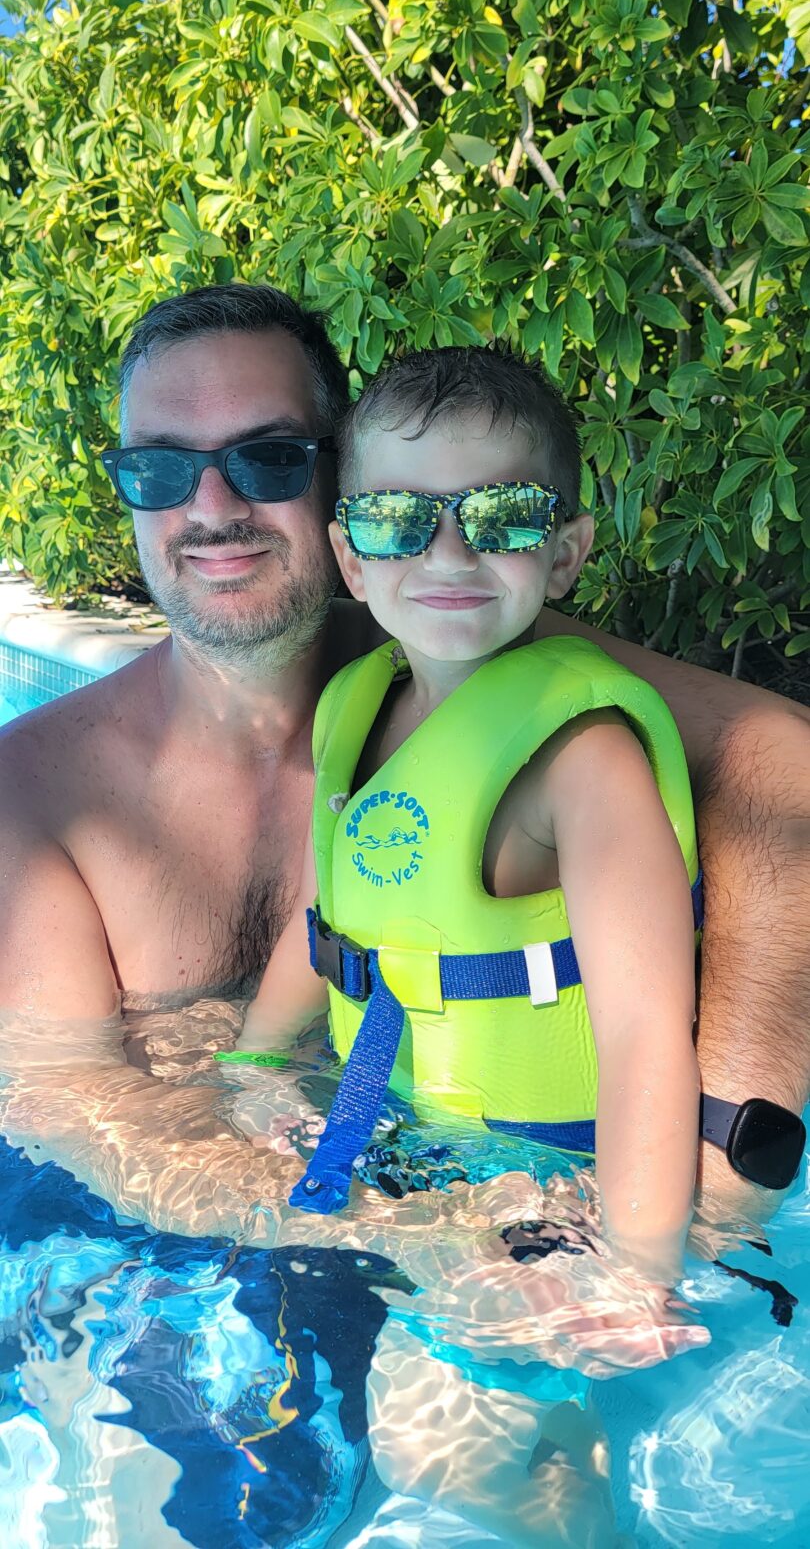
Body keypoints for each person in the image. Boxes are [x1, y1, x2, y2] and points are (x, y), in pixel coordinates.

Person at [0, 284, 807, 1252]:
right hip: (269, 1220)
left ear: (329, 482)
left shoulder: (479, 651)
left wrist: (700, 1206)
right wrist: (425, 1238)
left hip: (536, 1206)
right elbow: (72, 1113)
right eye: (159, 468)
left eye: (270, 457)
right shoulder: (36, 797)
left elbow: (782, 762)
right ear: (359, 542)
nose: (211, 507)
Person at [237, 345, 704, 1289]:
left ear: (565, 553)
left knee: (438, 1388)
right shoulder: (354, 707)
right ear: (351, 558)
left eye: (504, 516)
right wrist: (250, 1067)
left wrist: (637, 1276)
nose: (449, 554)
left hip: (546, 1187)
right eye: (396, 519)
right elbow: (325, 924)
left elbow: (647, 1035)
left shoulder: (585, 761)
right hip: (392, 1131)